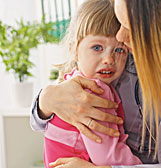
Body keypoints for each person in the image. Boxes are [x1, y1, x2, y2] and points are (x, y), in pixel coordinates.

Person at [30, 0, 161, 167]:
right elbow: (39, 120)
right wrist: (45, 99)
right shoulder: (94, 81)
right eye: (97, 47)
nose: (120, 36)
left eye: (129, 26)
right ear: (74, 49)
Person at [42, 0, 141, 167]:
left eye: (119, 50)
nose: (109, 60)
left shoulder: (73, 80)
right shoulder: (93, 91)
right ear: (74, 49)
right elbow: (107, 156)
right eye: (97, 48)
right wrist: (139, 165)